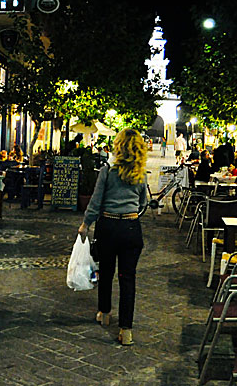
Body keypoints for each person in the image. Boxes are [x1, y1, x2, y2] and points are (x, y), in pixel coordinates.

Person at [78, 128, 148, 346]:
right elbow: (143, 203)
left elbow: (96, 201)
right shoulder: (140, 174)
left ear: (118, 146)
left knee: (106, 272)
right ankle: (126, 330)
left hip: (108, 225)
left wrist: (85, 224)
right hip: (131, 227)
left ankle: (105, 313)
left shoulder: (108, 170)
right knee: (128, 279)